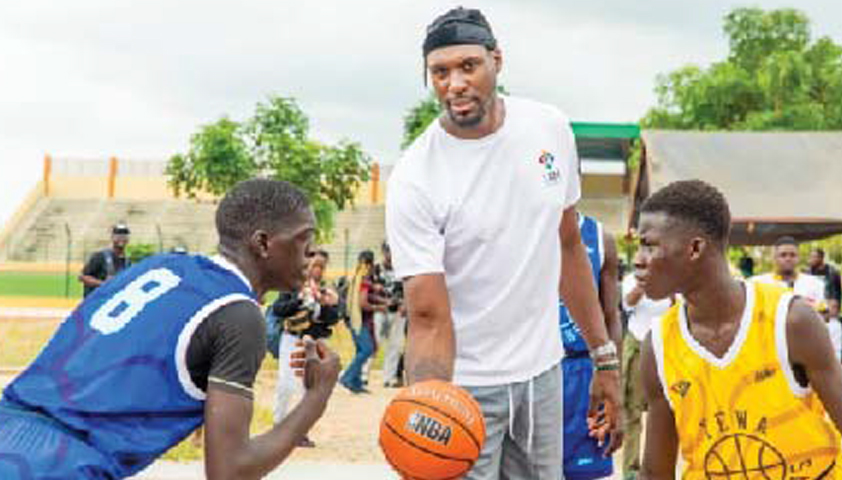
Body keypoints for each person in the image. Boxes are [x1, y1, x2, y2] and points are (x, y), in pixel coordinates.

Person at [386, 7, 621, 479]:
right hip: (464, 386)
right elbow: (428, 316)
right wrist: (430, 410)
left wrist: (604, 357)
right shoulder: (416, 177)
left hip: (542, 375)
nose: (455, 83)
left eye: (468, 66)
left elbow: (569, 246)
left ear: (497, 60)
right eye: (440, 72)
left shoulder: (549, 128)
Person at [0, 179, 341, 479]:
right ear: (263, 243)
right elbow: (231, 471)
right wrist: (316, 397)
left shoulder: (162, 266)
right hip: (57, 465)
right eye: (303, 239)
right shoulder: (239, 313)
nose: (311, 252)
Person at [635, 180, 842, 479]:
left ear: (694, 248)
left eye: (649, 245)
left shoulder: (791, 322)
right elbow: (656, 473)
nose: (639, 261)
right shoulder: (659, 346)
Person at [559, 214, 622, 480]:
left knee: (585, 474)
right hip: (530, 369)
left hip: (583, 372)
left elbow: (612, 316)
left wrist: (613, 380)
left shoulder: (599, 237)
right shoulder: (520, 225)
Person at [270, 249, 341, 448]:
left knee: (307, 387)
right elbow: (278, 309)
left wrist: (326, 305)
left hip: (313, 344)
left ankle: (299, 431)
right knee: (285, 382)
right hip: (292, 339)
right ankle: (279, 423)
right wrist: (299, 300)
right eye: (314, 265)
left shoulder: (326, 291)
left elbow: (334, 318)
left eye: (322, 267)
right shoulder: (292, 286)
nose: (317, 270)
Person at [619, 272, 674, 480]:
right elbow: (627, 305)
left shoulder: (671, 273)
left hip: (665, 345)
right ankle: (631, 471)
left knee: (662, 411)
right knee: (632, 412)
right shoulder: (632, 278)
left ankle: (660, 469)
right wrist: (644, 284)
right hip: (638, 344)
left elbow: (679, 306)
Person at [339, 250, 387, 394]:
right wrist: (380, 308)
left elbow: (367, 296)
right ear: (370, 264)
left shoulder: (357, 276)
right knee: (367, 349)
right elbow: (363, 303)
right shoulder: (364, 279)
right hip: (359, 320)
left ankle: (356, 382)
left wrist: (383, 300)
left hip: (353, 319)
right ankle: (347, 377)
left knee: (361, 350)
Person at [751, 236, 827, 310]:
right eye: (783, 255)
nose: (788, 259)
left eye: (792, 255)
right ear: (774, 258)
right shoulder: (759, 283)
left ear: (798, 258)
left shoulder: (815, 283)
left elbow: (823, 314)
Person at [374, 241, 406, 388]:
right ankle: (362, 375)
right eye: (387, 251)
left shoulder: (402, 269)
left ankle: (389, 377)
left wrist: (405, 304)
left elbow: (408, 289)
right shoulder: (375, 269)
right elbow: (369, 292)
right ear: (383, 252)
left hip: (398, 312)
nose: (390, 255)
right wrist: (382, 302)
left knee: (395, 345)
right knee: (376, 342)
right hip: (380, 311)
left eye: (392, 251)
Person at [79, 223, 132, 297]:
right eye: (118, 235)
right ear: (112, 237)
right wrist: (104, 284)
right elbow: (83, 277)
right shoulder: (100, 256)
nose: (122, 238)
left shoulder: (127, 261)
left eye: (124, 236)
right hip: (96, 300)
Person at [808, 247, 841, 320]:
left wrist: (837, 307)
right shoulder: (808, 273)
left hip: (830, 308)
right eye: (811, 257)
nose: (811, 259)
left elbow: (838, 290)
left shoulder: (833, 272)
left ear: (821, 258)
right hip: (814, 308)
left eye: (814, 257)